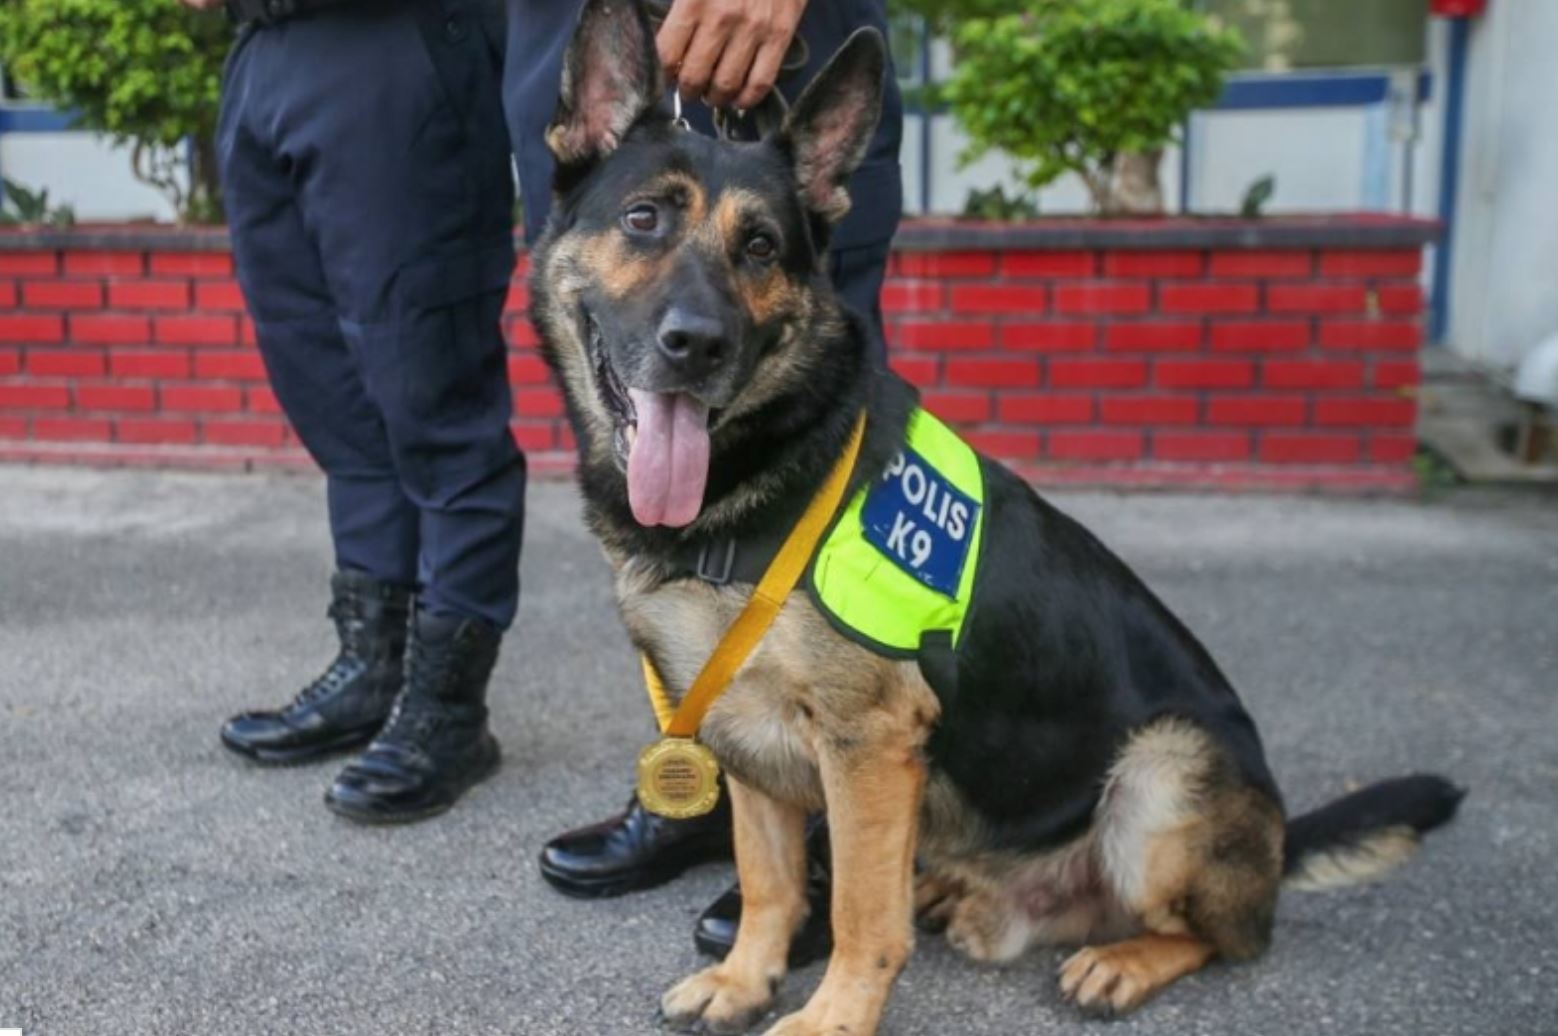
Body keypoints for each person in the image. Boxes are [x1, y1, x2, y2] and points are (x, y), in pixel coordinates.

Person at [504, 0, 903, 960]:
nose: (695, 312)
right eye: (644, 224)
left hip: (785, 36)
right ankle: (698, 777)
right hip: (586, 32)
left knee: (813, 487)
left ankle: (832, 827)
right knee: (649, 457)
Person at [195, 0, 523, 825]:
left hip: (393, 46)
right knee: (331, 396)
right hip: (264, 53)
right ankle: (372, 669)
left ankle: (449, 711)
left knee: (432, 394)